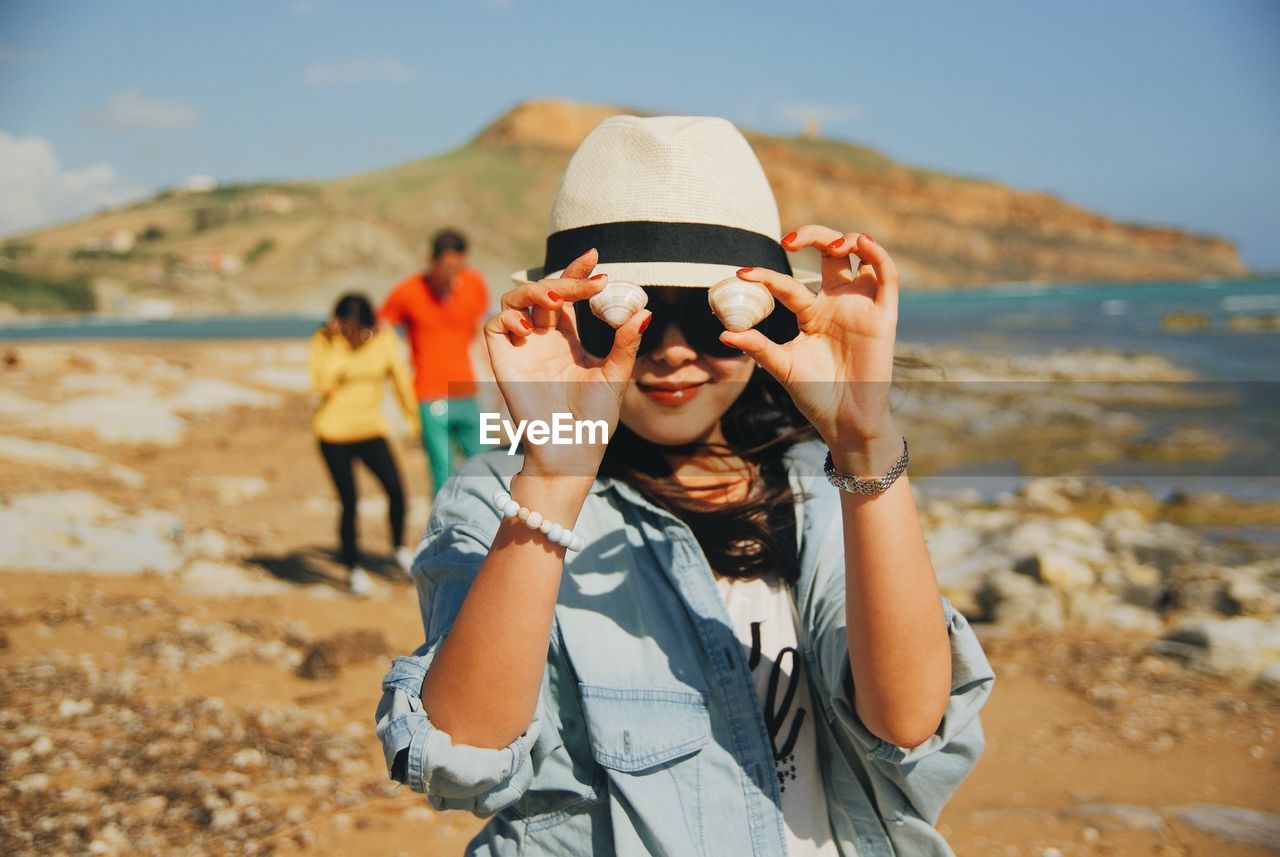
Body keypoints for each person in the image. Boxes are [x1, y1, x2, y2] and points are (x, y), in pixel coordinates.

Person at [375, 115, 994, 856]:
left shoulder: (824, 490)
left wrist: (865, 441)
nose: (670, 352)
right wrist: (556, 470)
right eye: (626, 317)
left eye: (708, 314)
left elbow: (907, 722)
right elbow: (459, 760)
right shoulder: (497, 499)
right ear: (568, 315)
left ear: (771, 314)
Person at [309, 293, 419, 596]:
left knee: (396, 490)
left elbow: (400, 381)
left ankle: (398, 550)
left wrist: (414, 421)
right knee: (350, 502)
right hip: (333, 433)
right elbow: (321, 384)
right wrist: (337, 344)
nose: (357, 337)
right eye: (349, 330)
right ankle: (354, 569)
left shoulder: (384, 340)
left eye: (362, 330)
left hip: (370, 430)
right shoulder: (325, 342)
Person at [378, 228, 490, 498]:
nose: (453, 274)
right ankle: (443, 536)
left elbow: (481, 331)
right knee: (443, 472)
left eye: (459, 266)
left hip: (467, 392)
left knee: (484, 466)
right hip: (430, 395)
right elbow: (382, 327)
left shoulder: (475, 284)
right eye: (448, 266)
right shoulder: (408, 291)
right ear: (433, 260)